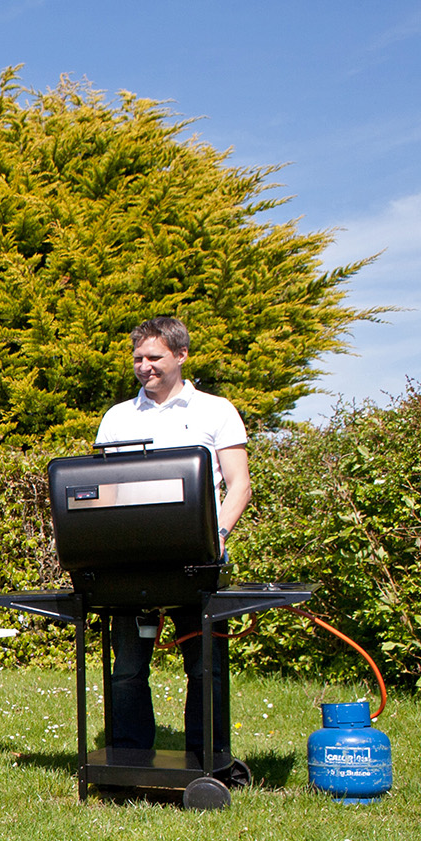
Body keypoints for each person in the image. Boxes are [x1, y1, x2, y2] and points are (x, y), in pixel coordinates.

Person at [96, 316, 253, 775]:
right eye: (137, 358)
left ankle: (209, 762)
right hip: (131, 561)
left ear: (181, 355)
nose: (144, 366)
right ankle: (128, 762)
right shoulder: (117, 418)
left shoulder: (216, 411)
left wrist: (217, 538)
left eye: (154, 357)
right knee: (127, 668)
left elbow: (240, 485)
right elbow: (102, 488)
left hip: (197, 557)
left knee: (205, 667)